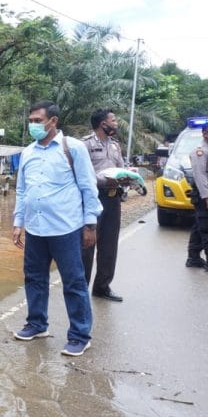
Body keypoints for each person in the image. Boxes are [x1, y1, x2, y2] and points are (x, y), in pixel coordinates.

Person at [11, 100, 102, 357]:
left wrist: (90, 224)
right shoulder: (27, 152)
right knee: (34, 278)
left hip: (66, 228)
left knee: (74, 282)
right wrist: (18, 223)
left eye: (37, 121)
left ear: (53, 121)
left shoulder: (73, 148)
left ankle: (80, 335)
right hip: (36, 229)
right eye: (30, 121)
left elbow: (88, 187)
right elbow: (22, 190)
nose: (33, 125)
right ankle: (37, 324)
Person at [81, 109, 128, 301]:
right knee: (87, 243)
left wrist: (126, 178)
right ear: (103, 124)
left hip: (113, 198)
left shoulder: (115, 145)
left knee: (109, 244)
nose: (116, 123)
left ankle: (102, 286)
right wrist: (103, 181)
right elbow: (83, 174)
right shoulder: (85, 144)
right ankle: (81, 289)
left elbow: (121, 167)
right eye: (114, 120)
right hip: (93, 197)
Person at [185, 124, 208, 270]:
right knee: (206, 227)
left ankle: (193, 257)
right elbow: (200, 176)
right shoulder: (200, 151)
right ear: (205, 133)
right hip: (203, 194)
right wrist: (206, 196)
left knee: (199, 225)